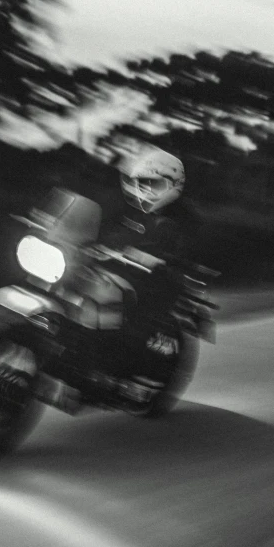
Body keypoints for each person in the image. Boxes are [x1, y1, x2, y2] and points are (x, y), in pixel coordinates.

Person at [98, 141, 201, 387]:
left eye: (151, 183)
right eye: (139, 182)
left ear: (173, 185)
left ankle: (126, 367)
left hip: (161, 281)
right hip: (126, 272)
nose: (142, 189)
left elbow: (186, 252)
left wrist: (161, 260)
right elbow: (107, 232)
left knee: (136, 320)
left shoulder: (183, 219)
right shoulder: (134, 214)